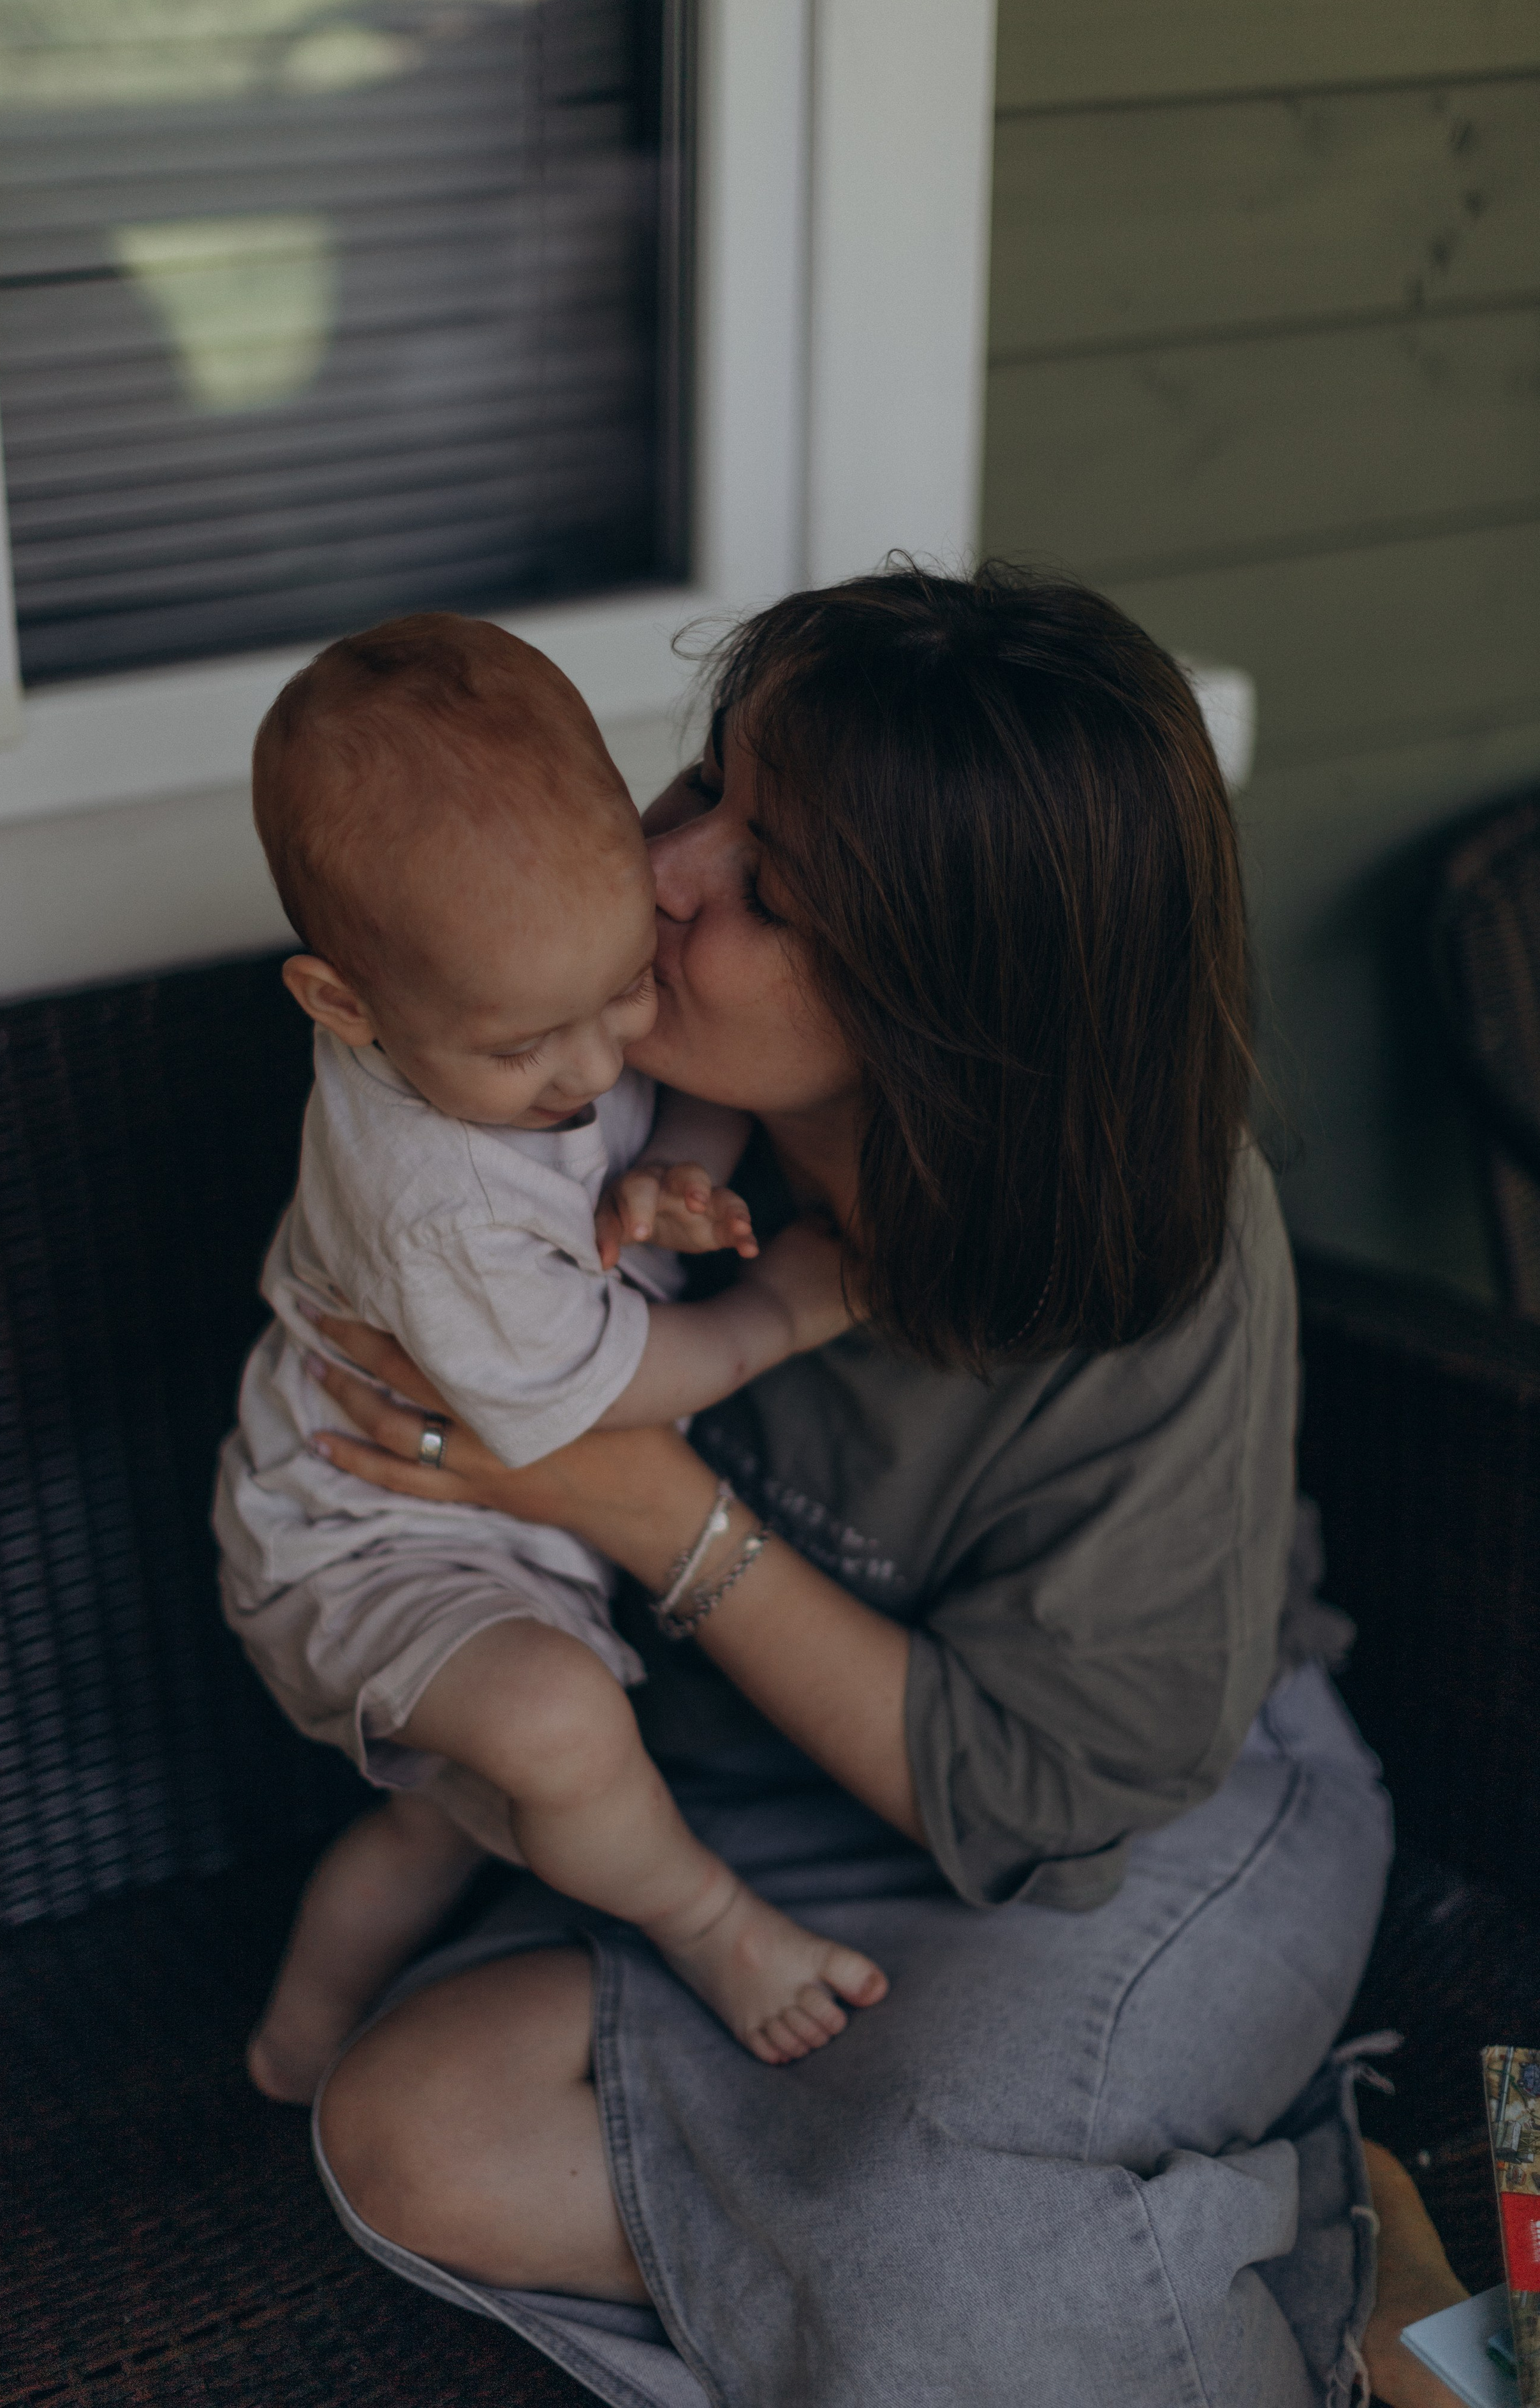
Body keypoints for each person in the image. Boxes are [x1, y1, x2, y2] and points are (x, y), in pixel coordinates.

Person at [295, 566, 1467, 2408]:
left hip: (1126, 1816)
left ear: (952, 997)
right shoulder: (562, 1073)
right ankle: (1243, 2225)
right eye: (701, 793)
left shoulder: (1153, 1245)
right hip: (744, 1804)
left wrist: (638, 1500)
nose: (664, 872)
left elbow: (1052, 1802)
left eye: (773, 890)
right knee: (414, 2133)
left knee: (937, 2274)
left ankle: (1146, 2245)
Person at [216, 613, 888, 2108]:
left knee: (438, 1824)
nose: (590, 1070)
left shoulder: (504, 995)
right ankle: (712, 1924)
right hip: (356, 1531)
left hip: (485, 1530)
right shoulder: (435, 1198)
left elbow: (650, 1103)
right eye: (534, 1048)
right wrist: (772, 1310)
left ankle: (292, 2049)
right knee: (557, 1728)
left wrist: (661, 1181)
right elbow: (574, 1404)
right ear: (343, 1006)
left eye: (623, 998)